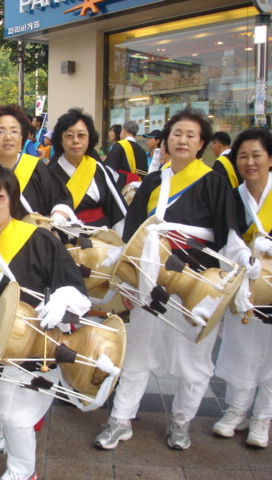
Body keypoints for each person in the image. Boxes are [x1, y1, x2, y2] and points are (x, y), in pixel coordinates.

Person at [95, 108, 258, 452]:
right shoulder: (154, 182)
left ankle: (181, 422)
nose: (182, 140)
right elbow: (132, 237)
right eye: (177, 134)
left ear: (202, 144)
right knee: (138, 353)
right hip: (149, 282)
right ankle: (120, 419)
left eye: (191, 135)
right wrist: (126, 282)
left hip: (197, 284)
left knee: (194, 361)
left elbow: (226, 236)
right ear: (167, 140)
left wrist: (241, 263)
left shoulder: (214, 181)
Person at [0, 165, 89, 480]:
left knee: (14, 414)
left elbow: (71, 284)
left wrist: (63, 301)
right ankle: (17, 441)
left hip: (38, 343)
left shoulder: (39, 238)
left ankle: (22, 473)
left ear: (13, 200)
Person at [213, 128, 272, 448]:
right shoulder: (233, 197)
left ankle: (263, 416)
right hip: (246, 284)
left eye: (257, 155)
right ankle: (237, 410)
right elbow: (228, 236)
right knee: (242, 347)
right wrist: (243, 255)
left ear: (270, 159)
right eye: (243, 156)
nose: (250, 162)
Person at [0, 104, 72, 224]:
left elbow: (61, 200)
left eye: (14, 131)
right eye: (0, 132)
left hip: (34, 239)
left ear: (22, 137)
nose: (8, 137)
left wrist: (56, 218)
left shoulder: (38, 169)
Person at [49, 108, 126, 232]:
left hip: (102, 239)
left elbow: (115, 209)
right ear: (60, 140)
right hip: (67, 240)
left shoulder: (98, 169)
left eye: (81, 135)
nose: (76, 141)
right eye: (69, 136)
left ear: (89, 138)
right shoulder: (49, 174)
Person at [105, 120, 148, 186]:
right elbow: (145, 175)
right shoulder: (143, 151)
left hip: (122, 189)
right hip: (137, 190)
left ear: (124, 131)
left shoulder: (119, 146)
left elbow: (109, 170)